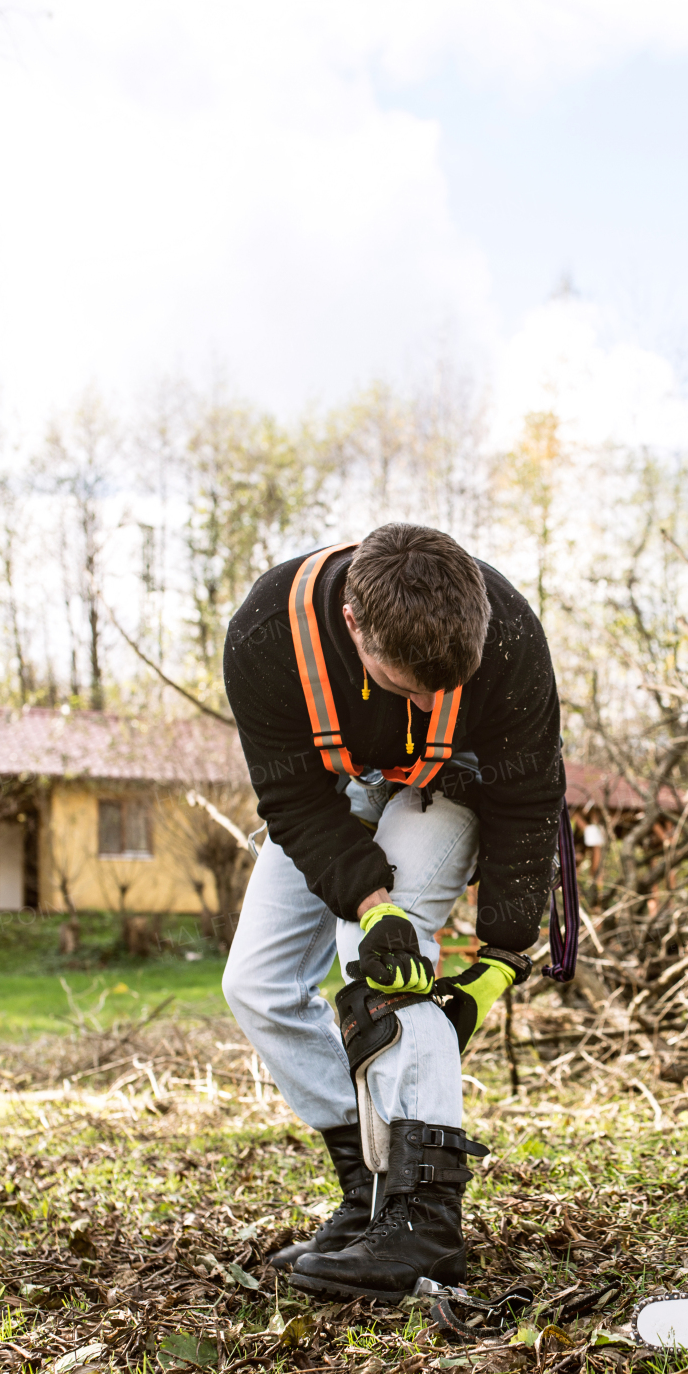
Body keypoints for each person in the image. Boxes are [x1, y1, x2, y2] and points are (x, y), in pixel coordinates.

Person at [221, 522, 563, 1301]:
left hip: (454, 786)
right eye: (411, 686)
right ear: (352, 622)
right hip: (332, 794)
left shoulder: (510, 637)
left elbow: (530, 797)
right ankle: (372, 1188)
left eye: (446, 686)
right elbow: (292, 797)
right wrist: (368, 900)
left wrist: (502, 955)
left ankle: (426, 1221)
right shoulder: (267, 636)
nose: (431, 701)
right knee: (257, 984)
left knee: (381, 966)